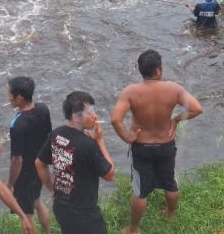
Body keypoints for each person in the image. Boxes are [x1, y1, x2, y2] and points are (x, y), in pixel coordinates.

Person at [110, 50, 203, 234]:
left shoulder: (130, 92)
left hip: (141, 147)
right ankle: (170, 213)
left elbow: (115, 119)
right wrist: (175, 120)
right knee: (170, 182)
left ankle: (134, 228)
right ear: (158, 71)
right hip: (165, 144)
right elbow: (197, 109)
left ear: (140, 70)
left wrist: (127, 136)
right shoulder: (173, 89)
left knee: (140, 190)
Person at [36, 91, 115, 234]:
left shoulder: (57, 134)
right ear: (76, 115)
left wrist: (53, 190)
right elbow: (109, 175)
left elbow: (39, 163)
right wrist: (100, 141)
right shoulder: (88, 145)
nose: (94, 116)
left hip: (61, 207)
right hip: (84, 212)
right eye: (90, 112)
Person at [7, 77, 52, 234]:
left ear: (19, 97)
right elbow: (49, 137)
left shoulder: (17, 125)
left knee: (26, 215)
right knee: (38, 201)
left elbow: (17, 160)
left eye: (10, 94)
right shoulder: (43, 109)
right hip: (40, 165)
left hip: (24, 173)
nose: (9, 98)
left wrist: (11, 183)